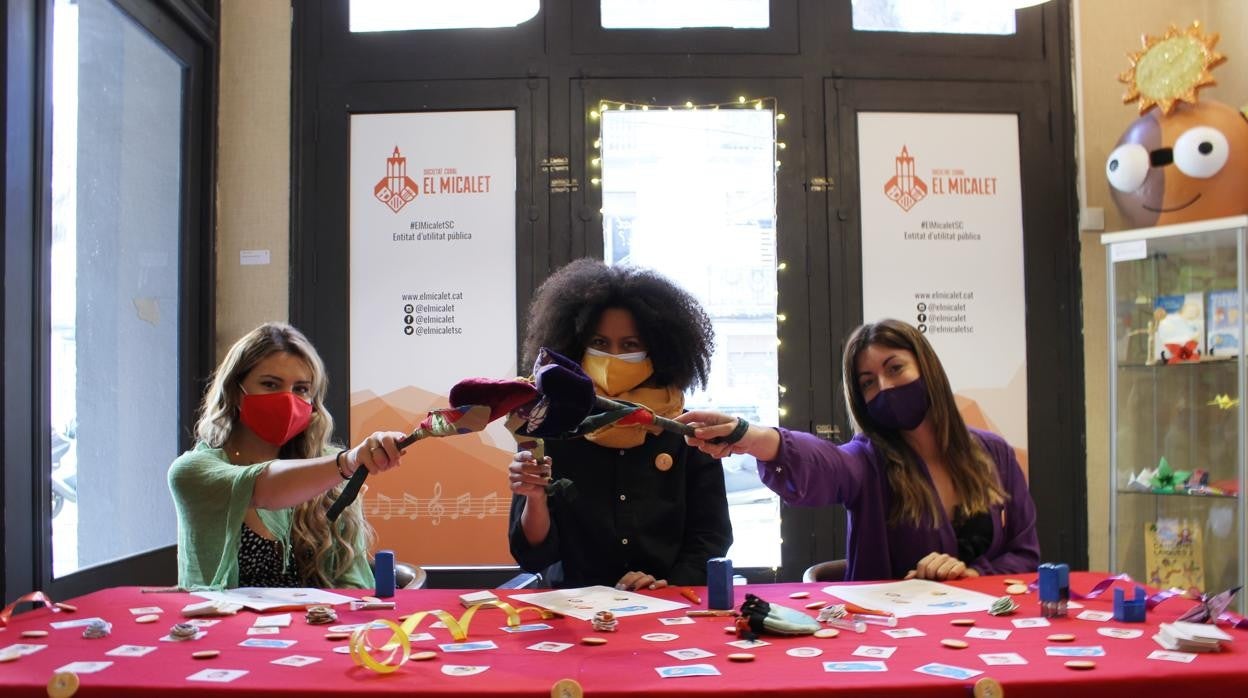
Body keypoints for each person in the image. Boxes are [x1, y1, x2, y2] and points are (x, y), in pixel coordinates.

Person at [678, 318, 1038, 582]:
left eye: (895, 368)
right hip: (898, 638)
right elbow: (824, 464)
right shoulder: (867, 459)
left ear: (927, 368)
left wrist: (973, 573)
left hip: (989, 627)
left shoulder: (994, 453)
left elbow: (1025, 554)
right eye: (868, 382)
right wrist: (751, 436)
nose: (884, 386)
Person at [508, 259, 733, 590]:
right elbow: (533, 558)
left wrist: (668, 585)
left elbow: (710, 538)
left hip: (666, 610)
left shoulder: (687, 432)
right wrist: (535, 498)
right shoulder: (550, 427)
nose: (613, 358)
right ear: (575, 345)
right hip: (572, 608)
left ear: (658, 351)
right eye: (599, 344)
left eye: (630, 346)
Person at [168, 322, 408, 590]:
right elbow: (262, 487)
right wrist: (349, 461)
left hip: (320, 628)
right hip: (227, 628)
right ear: (236, 392)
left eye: (301, 389)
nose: (287, 399)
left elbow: (350, 580)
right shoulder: (192, 471)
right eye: (270, 384)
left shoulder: (331, 469)